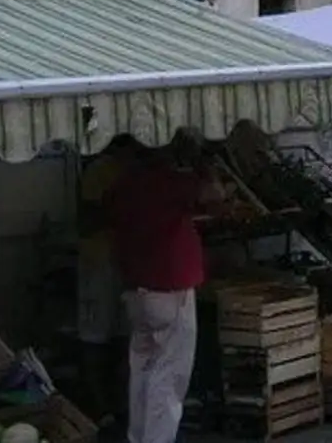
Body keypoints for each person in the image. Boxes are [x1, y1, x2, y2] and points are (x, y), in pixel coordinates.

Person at [106, 128, 220, 443]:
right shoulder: (167, 182)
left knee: (142, 370)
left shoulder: (124, 185)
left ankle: (138, 437)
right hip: (170, 290)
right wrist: (203, 162)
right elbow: (214, 194)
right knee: (168, 377)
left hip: (136, 290)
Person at [78, 135, 142, 425]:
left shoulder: (135, 169)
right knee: (95, 335)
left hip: (127, 262)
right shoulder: (100, 170)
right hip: (99, 262)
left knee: (124, 335)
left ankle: (121, 403)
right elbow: (88, 217)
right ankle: (98, 407)